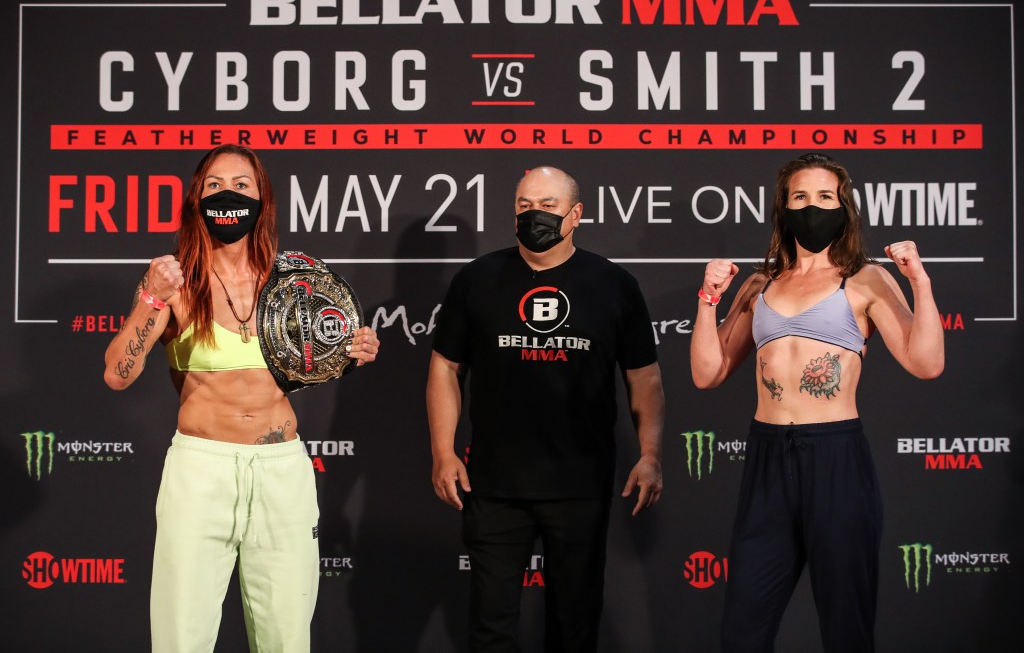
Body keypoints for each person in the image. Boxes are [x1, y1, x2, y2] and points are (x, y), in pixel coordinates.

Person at [102, 144, 380, 653]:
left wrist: (355, 347)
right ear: (196, 200)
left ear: (262, 200)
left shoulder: (294, 282)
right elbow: (118, 374)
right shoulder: (176, 281)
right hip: (202, 471)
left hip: (282, 471)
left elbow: (323, 354)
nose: (228, 194)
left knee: (286, 638)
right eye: (214, 186)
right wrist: (151, 298)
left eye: (241, 185)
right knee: (181, 638)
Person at [691, 153, 944, 653]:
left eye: (825, 196)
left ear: (844, 207)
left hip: (835, 459)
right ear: (783, 209)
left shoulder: (865, 279)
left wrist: (920, 282)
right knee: (742, 630)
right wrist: (707, 300)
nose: (813, 206)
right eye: (800, 196)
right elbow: (707, 373)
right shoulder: (760, 284)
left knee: (846, 630)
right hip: (767, 459)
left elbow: (926, 363)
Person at [427, 165, 665, 653]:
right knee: (489, 627)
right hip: (492, 483)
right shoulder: (476, 279)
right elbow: (445, 368)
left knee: (573, 627)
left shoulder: (614, 284)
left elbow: (644, 378)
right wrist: (442, 451)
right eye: (523, 205)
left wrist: (650, 452)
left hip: (580, 485)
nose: (533, 214)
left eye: (547, 206)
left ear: (575, 215)